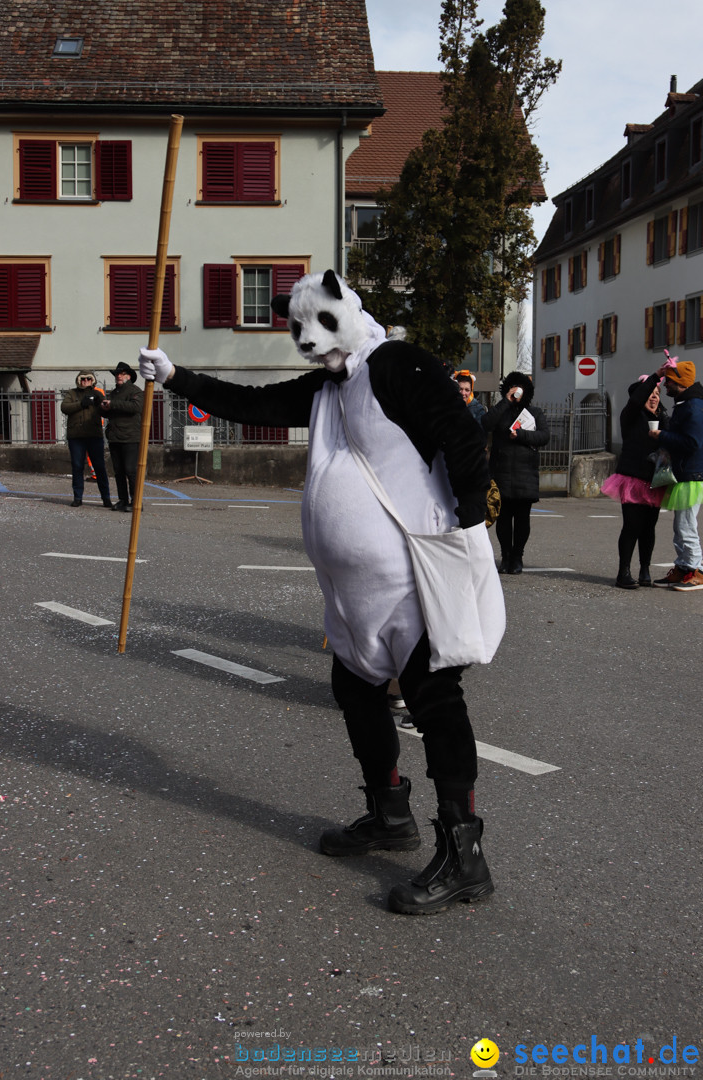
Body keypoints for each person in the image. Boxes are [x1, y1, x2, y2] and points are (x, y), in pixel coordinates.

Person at [139, 269, 504, 917]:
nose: (307, 340)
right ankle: (389, 812)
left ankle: (465, 856)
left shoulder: (395, 364)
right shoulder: (330, 385)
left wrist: (469, 520)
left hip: (414, 577)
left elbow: (460, 431)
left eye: (319, 324)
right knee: (355, 689)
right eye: (297, 328)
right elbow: (255, 406)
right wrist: (175, 378)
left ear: (349, 310)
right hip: (354, 591)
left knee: (434, 699)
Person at [600, 374, 668, 588]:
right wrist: (655, 377)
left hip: (655, 481)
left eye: (657, 394)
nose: (654, 398)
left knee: (649, 527)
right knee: (631, 526)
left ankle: (645, 570)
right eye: (650, 394)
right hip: (633, 479)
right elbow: (636, 400)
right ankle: (624, 572)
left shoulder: (664, 417)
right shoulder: (631, 415)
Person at [481, 372, 550, 574]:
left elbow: (544, 436)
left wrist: (520, 435)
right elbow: (486, 423)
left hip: (525, 473)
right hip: (501, 472)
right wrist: (506, 402)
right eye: (513, 386)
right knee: (503, 519)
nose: (517, 390)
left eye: (521, 387)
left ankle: (518, 556)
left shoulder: (535, 413)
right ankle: (506, 556)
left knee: (522, 519)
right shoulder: (501, 410)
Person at [649, 359, 703, 591]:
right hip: (686, 472)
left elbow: (692, 442)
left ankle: (695, 571)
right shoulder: (686, 404)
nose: (666, 385)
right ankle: (683, 568)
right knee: (680, 526)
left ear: (680, 383)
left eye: (669, 381)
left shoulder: (693, 407)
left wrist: (661, 436)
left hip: (691, 474)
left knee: (686, 525)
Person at [60, 370, 113, 508]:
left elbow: (105, 409)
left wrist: (101, 404)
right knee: (77, 467)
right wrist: (81, 404)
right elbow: (64, 407)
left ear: (92, 380)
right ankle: (78, 497)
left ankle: (106, 498)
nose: (85, 381)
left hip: (94, 435)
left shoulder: (97, 393)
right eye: (82, 379)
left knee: (100, 467)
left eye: (88, 379)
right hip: (76, 436)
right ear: (78, 380)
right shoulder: (72, 393)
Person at [101, 361, 144, 512]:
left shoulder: (135, 391)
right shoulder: (114, 393)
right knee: (118, 471)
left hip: (130, 437)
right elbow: (111, 411)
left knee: (130, 470)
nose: (119, 376)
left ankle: (136, 501)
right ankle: (123, 499)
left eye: (122, 374)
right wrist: (103, 408)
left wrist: (112, 404)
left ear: (129, 376)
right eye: (117, 374)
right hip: (115, 436)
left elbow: (136, 407)